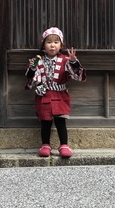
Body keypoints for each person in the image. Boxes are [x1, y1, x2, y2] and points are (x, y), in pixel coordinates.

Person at [25, 27, 86, 158]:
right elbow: (31, 77)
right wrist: (32, 67)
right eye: (49, 42)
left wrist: (74, 62)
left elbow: (76, 74)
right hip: (44, 94)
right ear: (43, 45)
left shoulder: (65, 60)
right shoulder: (38, 60)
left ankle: (64, 145)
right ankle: (45, 145)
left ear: (61, 45)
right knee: (45, 121)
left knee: (60, 120)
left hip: (60, 94)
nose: (52, 45)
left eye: (56, 42)